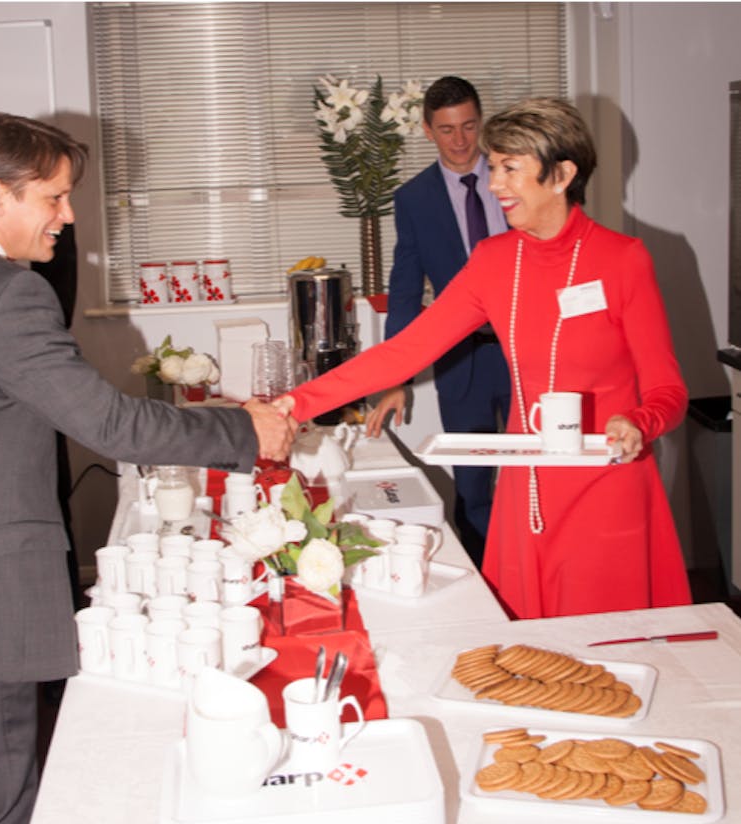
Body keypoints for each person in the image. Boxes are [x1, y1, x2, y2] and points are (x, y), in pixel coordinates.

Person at [0, 113, 295, 824]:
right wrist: (246, 432)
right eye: (54, 198)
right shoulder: (3, 295)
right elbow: (113, 425)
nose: (67, 216)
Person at [275, 97, 692, 621]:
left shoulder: (623, 259)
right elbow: (404, 352)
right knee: (529, 659)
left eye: (510, 169)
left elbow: (668, 391)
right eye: (492, 167)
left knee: (603, 655)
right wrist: (292, 403)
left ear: (562, 174)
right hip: (528, 487)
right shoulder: (495, 261)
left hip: (606, 483)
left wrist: (639, 421)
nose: (494, 184)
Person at [370, 76, 511, 567]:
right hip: (463, 362)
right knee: (474, 490)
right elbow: (405, 290)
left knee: (535, 479)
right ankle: (487, 591)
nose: (460, 141)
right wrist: (396, 378)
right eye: (447, 129)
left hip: (526, 354)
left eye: (470, 126)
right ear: (428, 130)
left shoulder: (513, 176)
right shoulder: (414, 199)